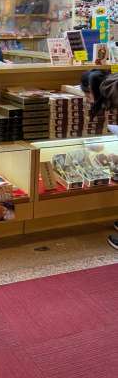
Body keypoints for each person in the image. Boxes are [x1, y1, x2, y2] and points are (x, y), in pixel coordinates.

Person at [81, 69, 118, 250]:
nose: (88, 100)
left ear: (91, 89)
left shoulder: (113, 91)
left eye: (87, 95)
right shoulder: (112, 86)